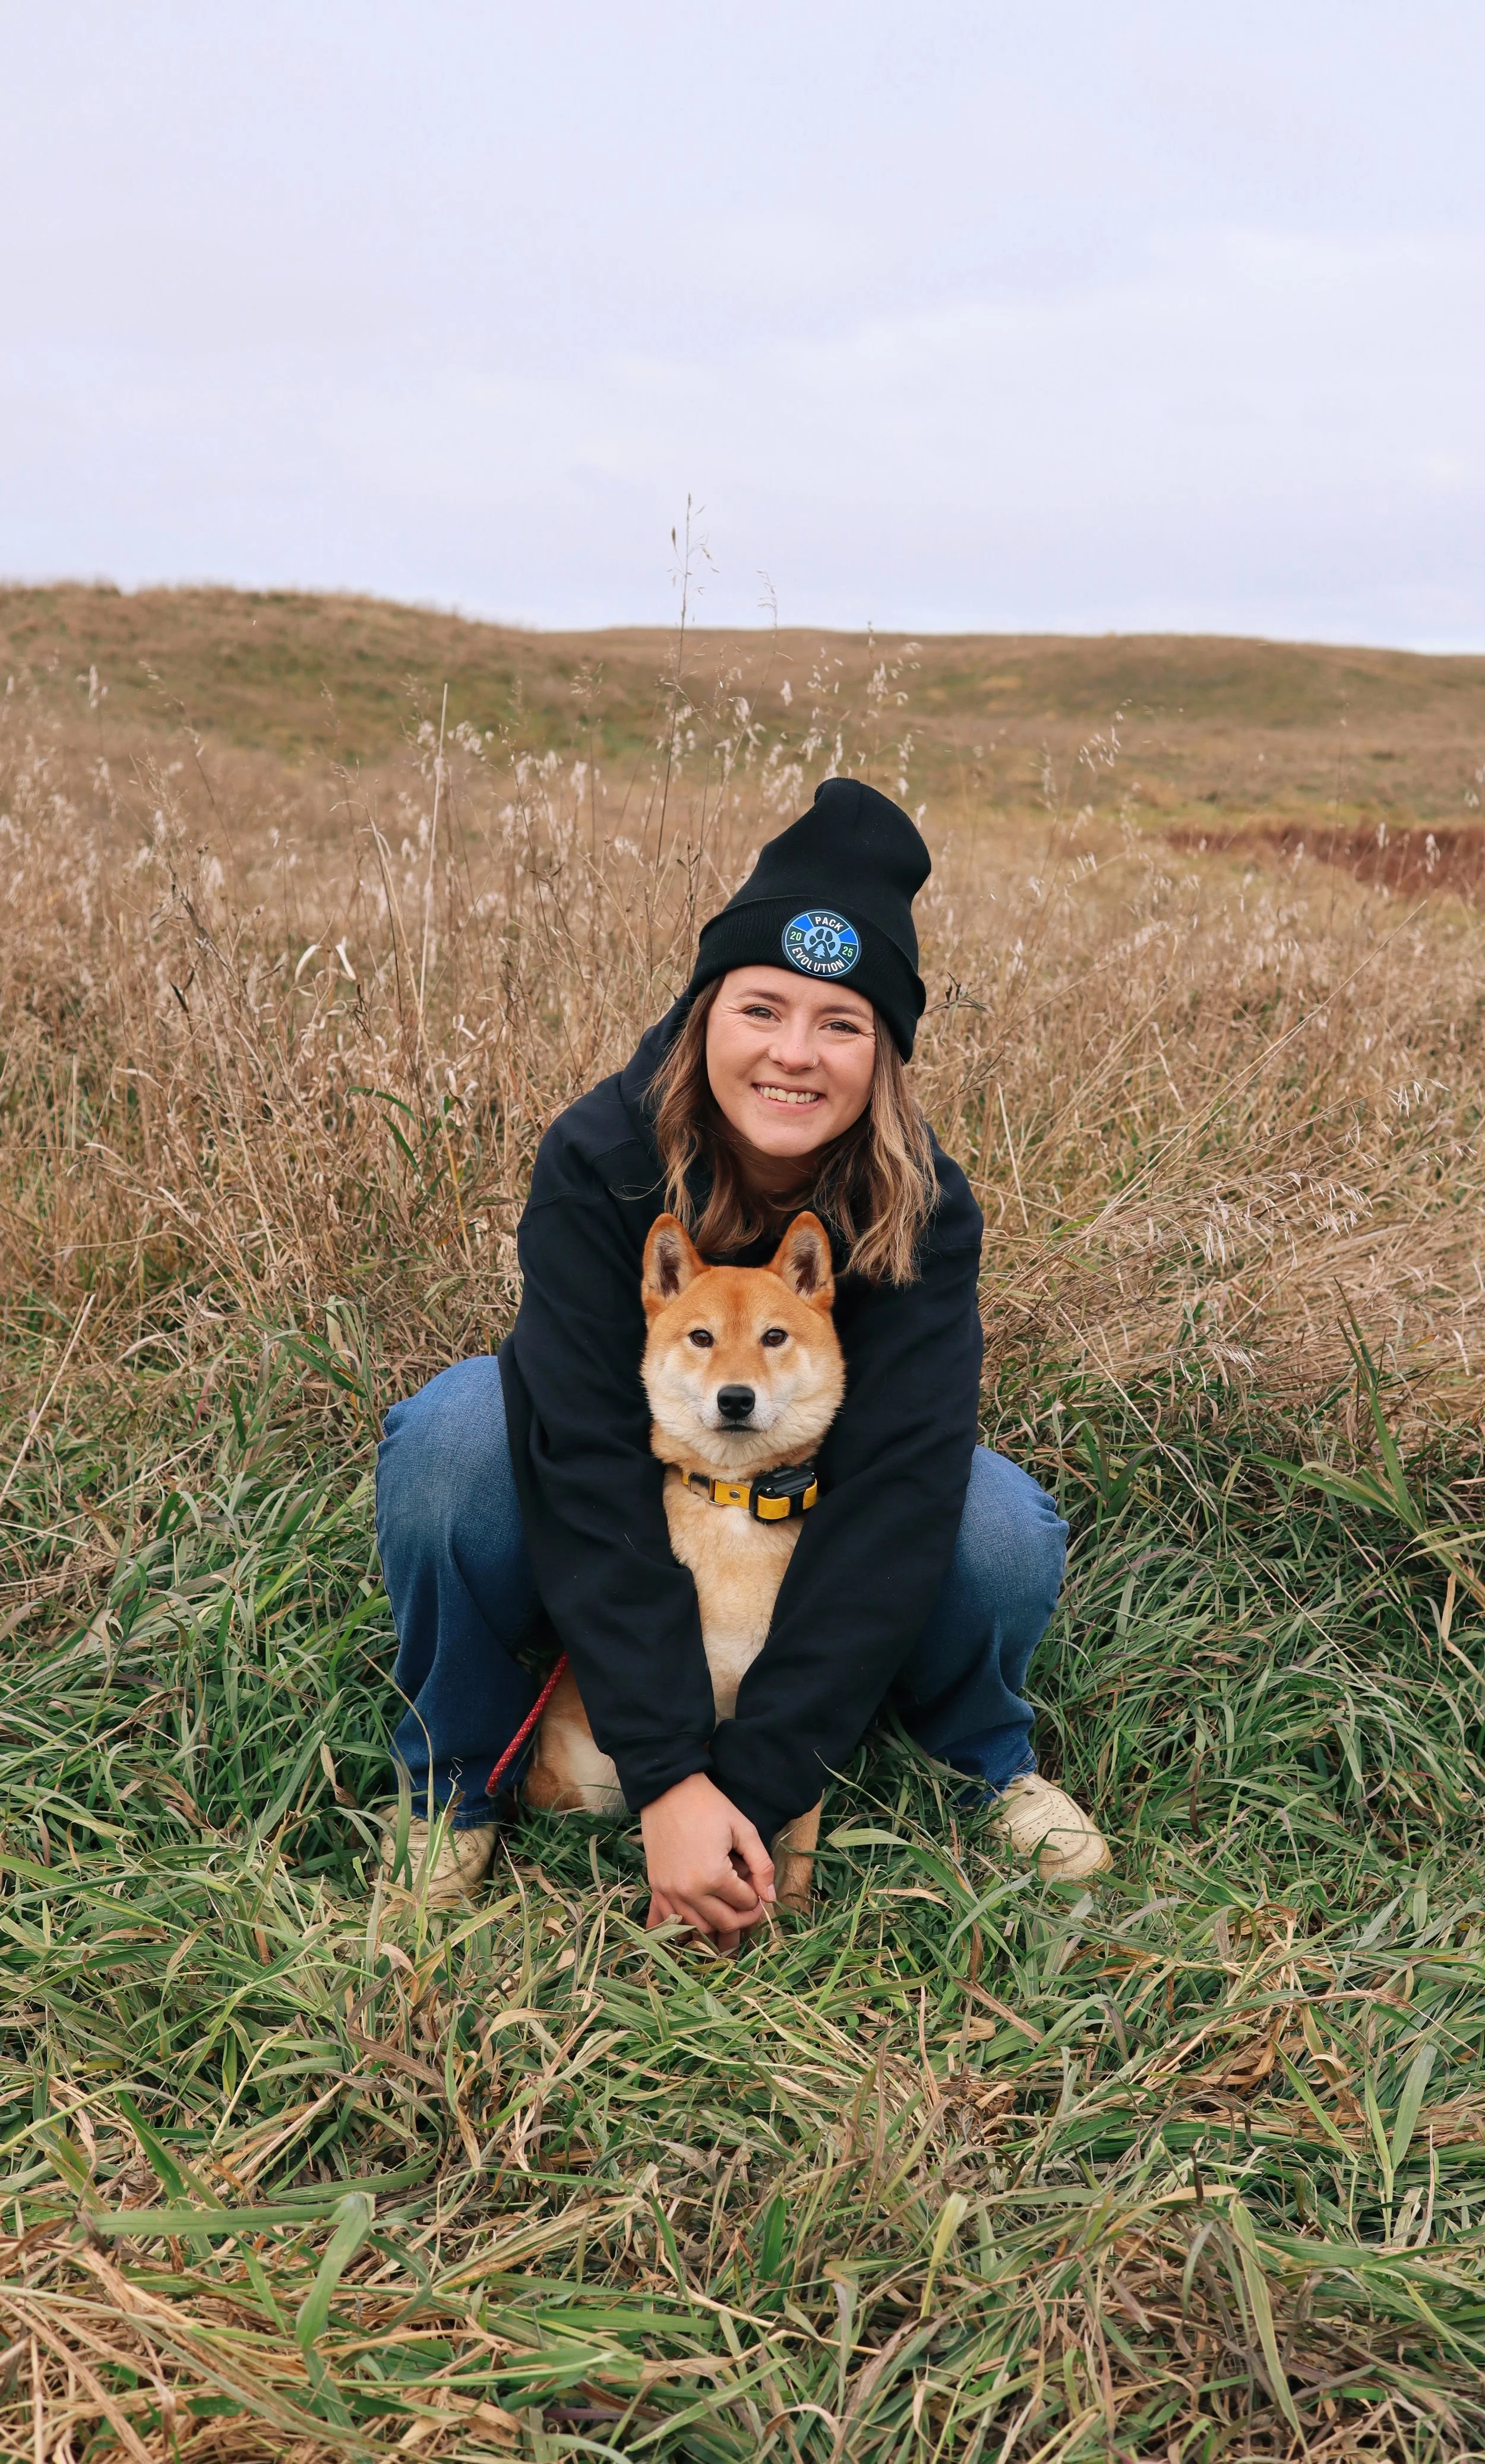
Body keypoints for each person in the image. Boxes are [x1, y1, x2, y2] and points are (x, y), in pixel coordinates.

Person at [375, 779, 1109, 1943]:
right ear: (706, 1008)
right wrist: (667, 1775)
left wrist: (757, 1792)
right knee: (455, 1439)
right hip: (645, 1488)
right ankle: (453, 1775)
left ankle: (985, 1754)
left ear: (884, 1051)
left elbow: (899, 1489)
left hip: (822, 1503)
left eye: (841, 1023)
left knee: (995, 1522)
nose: (793, 1055)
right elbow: (580, 1452)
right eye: (762, 1008)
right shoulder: (601, 1157)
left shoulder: (923, 1204)